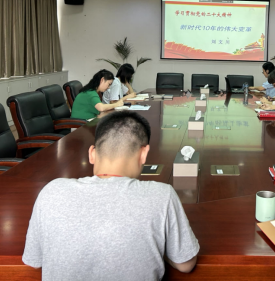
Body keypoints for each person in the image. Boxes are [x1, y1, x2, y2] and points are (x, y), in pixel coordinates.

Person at [22, 111, 199, 280]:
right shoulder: (162, 195)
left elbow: (35, 261)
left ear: (92, 154)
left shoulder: (51, 192)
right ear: (143, 154)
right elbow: (186, 264)